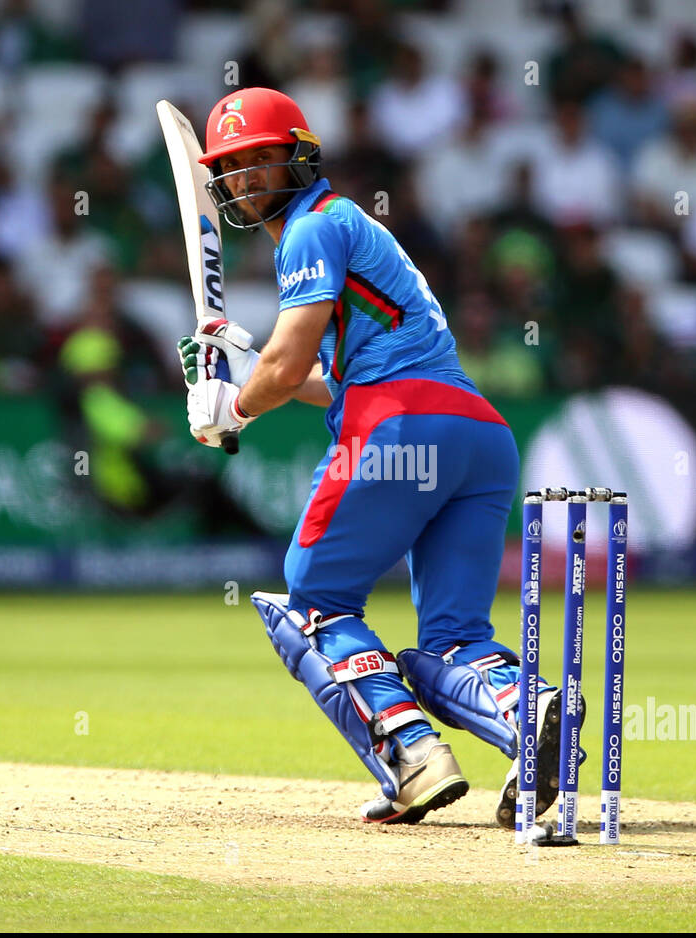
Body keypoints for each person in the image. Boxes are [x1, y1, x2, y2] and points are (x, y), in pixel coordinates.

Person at [177, 88, 577, 827]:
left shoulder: (312, 228)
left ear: (300, 154)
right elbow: (318, 374)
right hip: (476, 435)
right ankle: (533, 709)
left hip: (398, 426)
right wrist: (248, 373)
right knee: (453, 637)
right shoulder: (349, 225)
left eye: (263, 158)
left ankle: (411, 757)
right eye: (231, 167)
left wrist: (230, 408)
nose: (247, 178)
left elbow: (290, 362)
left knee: (311, 598)